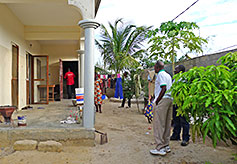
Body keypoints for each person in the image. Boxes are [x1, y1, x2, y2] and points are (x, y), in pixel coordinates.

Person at [150, 61, 173, 156]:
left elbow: (163, 88)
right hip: (169, 99)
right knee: (167, 124)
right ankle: (166, 145)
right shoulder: (168, 75)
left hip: (162, 100)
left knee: (159, 124)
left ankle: (160, 147)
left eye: (154, 67)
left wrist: (157, 101)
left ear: (157, 67)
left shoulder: (160, 75)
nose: (154, 69)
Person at [170, 65, 190, 146]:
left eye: (176, 69)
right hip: (175, 102)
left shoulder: (185, 79)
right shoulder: (175, 78)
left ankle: (186, 138)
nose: (174, 70)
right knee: (176, 119)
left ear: (181, 71)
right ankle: (176, 135)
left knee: (184, 121)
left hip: (182, 103)